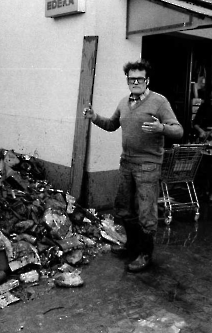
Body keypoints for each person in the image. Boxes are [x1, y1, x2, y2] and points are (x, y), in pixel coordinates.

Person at [83, 59, 183, 272]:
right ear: (127, 81)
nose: (135, 82)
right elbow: (111, 125)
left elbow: (178, 130)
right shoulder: (123, 103)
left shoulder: (159, 102)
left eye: (139, 78)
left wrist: (161, 128)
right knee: (123, 208)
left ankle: (145, 254)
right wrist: (94, 117)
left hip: (148, 166)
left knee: (146, 213)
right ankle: (132, 246)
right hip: (127, 163)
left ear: (147, 80)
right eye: (131, 79)